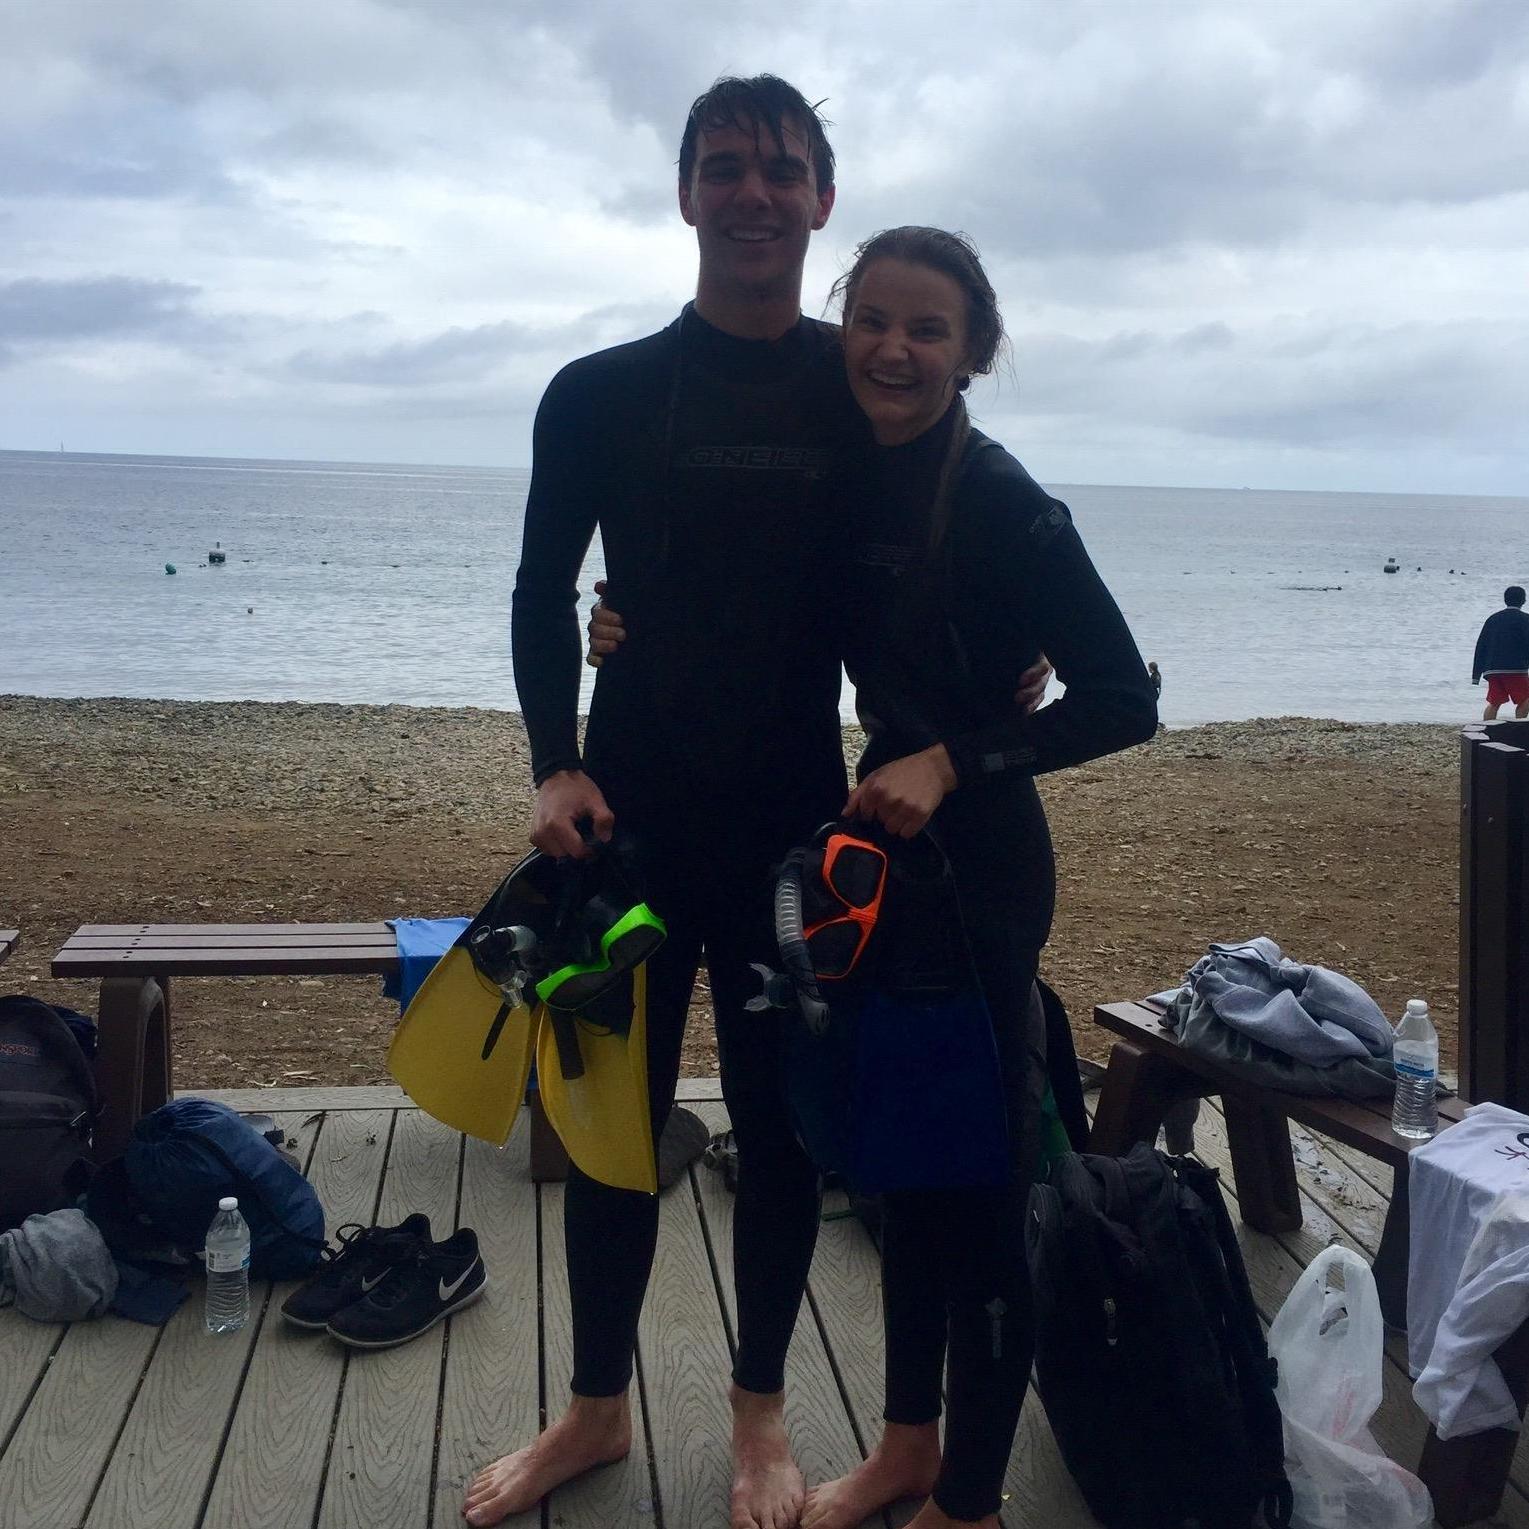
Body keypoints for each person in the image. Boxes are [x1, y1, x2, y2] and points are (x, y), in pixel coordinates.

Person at [471, 76, 1045, 1529]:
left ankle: (759, 1423)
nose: (750, 193)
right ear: (684, 196)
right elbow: (544, 590)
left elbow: (931, 551)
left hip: (799, 833)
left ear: (819, 202)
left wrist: (1002, 675)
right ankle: (595, 1408)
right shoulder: (596, 394)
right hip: (630, 823)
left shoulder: (855, 392)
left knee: (781, 1135)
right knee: (611, 1127)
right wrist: (557, 758)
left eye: (779, 171)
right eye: (723, 168)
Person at [596, 230, 1156, 1528]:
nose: (894, 349)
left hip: (982, 884)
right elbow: (756, 599)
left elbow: (1124, 697)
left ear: (975, 353)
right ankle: (908, 1448)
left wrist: (959, 756)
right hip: (887, 875)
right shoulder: (856, 475)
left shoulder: (1007, 503)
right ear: (844, 324)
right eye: (874, 320)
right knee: (906, 1174)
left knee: (976, 1203)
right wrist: (623, 621)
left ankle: (968, 1503)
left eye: (929, 330)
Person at [1472, 586, 1529, 721]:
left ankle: (1487, 729)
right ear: (1524, 601)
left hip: (1492, 668)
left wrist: (1476, 675)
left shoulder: (1492, 619)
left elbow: (1481, 646)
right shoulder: (1526, 619)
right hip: (1515, 669)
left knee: (1494, 702)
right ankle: (1519, 729)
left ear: (1505, 600)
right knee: (1525, 699)